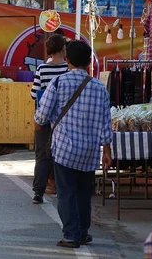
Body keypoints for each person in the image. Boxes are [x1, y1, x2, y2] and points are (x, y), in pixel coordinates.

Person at [34, 40, 112, 249]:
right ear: (88, 62)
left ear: (67, 59)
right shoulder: (99, 88)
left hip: (65, 149)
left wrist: (40, 122)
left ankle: (70, 235)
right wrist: (107, 150)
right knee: (83, 194)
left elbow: (42, 116)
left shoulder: (59, 83)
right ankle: (83, 233)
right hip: (89, 151)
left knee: (66, 192)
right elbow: (106, 122)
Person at [30, 34, 69, 204]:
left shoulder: (42, 69)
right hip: (64, 120)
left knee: (42, 155)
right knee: (61, 154)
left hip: (44, 118)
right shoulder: (68, 70)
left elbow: (33, 94)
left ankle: (38, 192)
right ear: (63, 49)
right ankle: (62, 189)